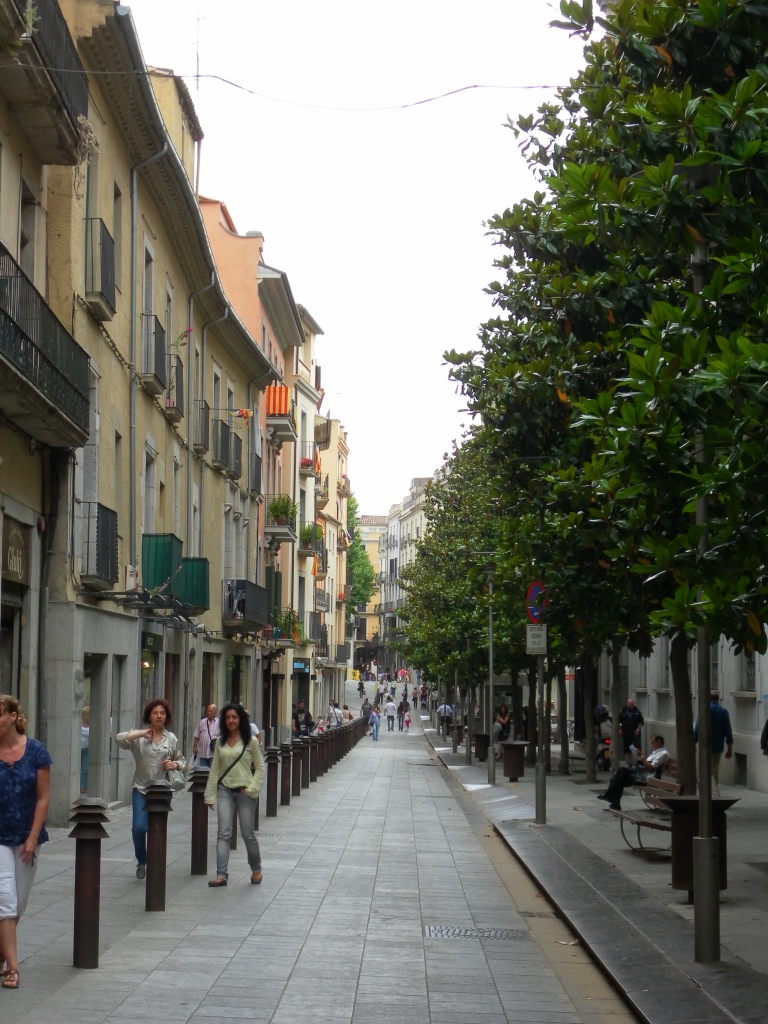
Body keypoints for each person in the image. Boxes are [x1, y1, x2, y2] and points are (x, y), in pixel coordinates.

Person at [0, 695, 52, 990]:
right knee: (5, 898)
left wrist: (33, 837)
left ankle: (1, 951)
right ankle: (13, 968)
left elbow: (43, 798)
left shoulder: (36, 751)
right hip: (0, 837)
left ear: (12, 716)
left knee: (18, 901)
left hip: (28, 835)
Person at [116, 698, 184, 879]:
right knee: (138, 828)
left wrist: (174, 765)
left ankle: (156, 862)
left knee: (157, 830)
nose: (159, 716)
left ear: (166, 716)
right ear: (149, 716)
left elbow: (182, 761)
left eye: (162, 713)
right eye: (155, 713)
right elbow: (119, 739)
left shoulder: (171, 739)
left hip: (162, 792)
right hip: (141, 788)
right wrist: (140, 733)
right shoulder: (140, 738)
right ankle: (142, 859)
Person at [204, 704, 265, 887]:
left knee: (247, 833)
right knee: (223, 833)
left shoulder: (250, 741)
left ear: (240, 719)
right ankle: (221, 874)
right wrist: (210, 795)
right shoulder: (220, 742)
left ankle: (256, 868)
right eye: (227, 717)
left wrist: (252, 788)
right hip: (225, 791)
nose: (231, 720)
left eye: (234, 717)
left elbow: (260, 767)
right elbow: (215, 769)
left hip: (245, 791)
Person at [597, 735, 670, 810]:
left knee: (620, 778)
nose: (652, 745)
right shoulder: (656, 752)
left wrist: (641, 757)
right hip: (643, 771)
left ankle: (613, 800)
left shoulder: (663, 754)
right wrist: (639, 757)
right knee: (620, 771)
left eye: (653, 743)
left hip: (649, 776)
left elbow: (651, 768)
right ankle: (612, 800)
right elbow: (646, 763)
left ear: (659, 742)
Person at [694, 692, 733, 798]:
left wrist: (694, 743)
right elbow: (728, 731)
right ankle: (713, 792)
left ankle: (714, 793)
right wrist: (729, 748)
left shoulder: (704, 711)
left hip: (705, 746)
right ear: (718, 699)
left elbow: (697, 729)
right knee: (715, 771)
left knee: (708, 771)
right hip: (719, 746)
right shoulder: (724, 712)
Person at [618, 698, 644, 765]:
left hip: (635, 732)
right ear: (627, 704)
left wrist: (638, 729)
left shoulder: (637, 712)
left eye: (632, 704)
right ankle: (629, 762)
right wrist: (620, 729)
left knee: (637, 747)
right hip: (626, 732)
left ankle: (639, 761)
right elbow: (620, 722)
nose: (631, 706)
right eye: (630, 704)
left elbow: (641, 722)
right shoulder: (622, 712)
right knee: (627, 748)